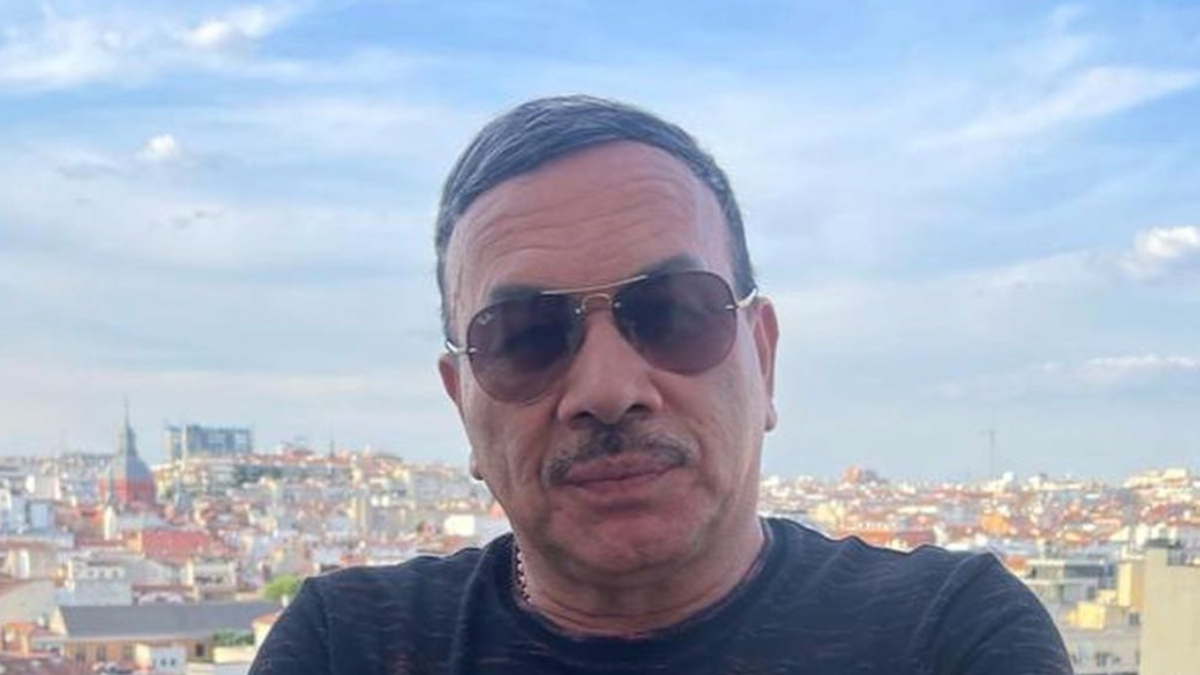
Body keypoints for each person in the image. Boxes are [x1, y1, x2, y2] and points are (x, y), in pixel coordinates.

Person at [250, 95, 1072, 674]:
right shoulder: (345, 644)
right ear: (461, 399)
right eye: (526, 337)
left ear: (763, 356)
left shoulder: (948, 633)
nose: (607, 389)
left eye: (674, 313)